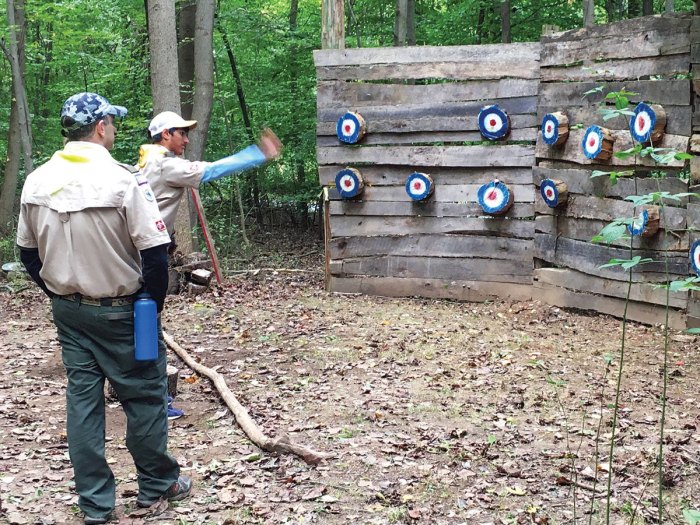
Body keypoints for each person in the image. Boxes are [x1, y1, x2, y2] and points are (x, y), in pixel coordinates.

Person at [16, 93, 192, 524]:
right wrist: (149, 309)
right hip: (121, 310)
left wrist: (60, 293)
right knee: (146, 395)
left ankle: (95, 504)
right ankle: (156, 485)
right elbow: (154, 255)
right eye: (112, 122)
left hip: (68, 313)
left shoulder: (36, 180)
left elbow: (26, 255)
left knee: (83, 402)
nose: (114, 129)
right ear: (100, 126)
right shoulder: (124, 180)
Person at [136, 111, 283, 240]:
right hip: (152, 244)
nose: (186, 140)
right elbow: (212, 170)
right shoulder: (165, 164)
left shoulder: (146, 161)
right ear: (166, 134)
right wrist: (259, 154)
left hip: (144, 240)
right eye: (182, 133)